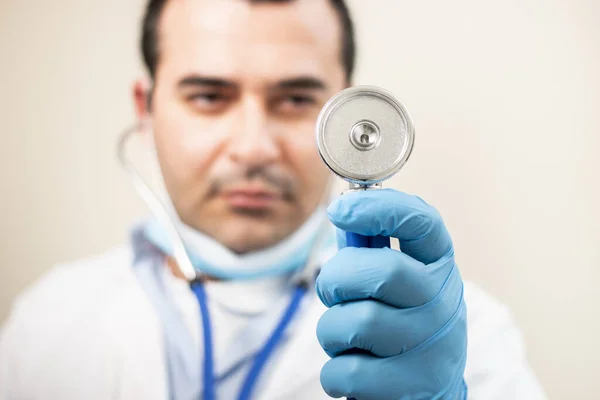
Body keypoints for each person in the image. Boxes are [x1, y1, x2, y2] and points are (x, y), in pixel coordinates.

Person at [0, 0, 548, 399]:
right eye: (209, 96)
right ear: (146, 110)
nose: (253, 148)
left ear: (344, 110)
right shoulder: (48, 321)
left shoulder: (449, 335)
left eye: (295, 99)